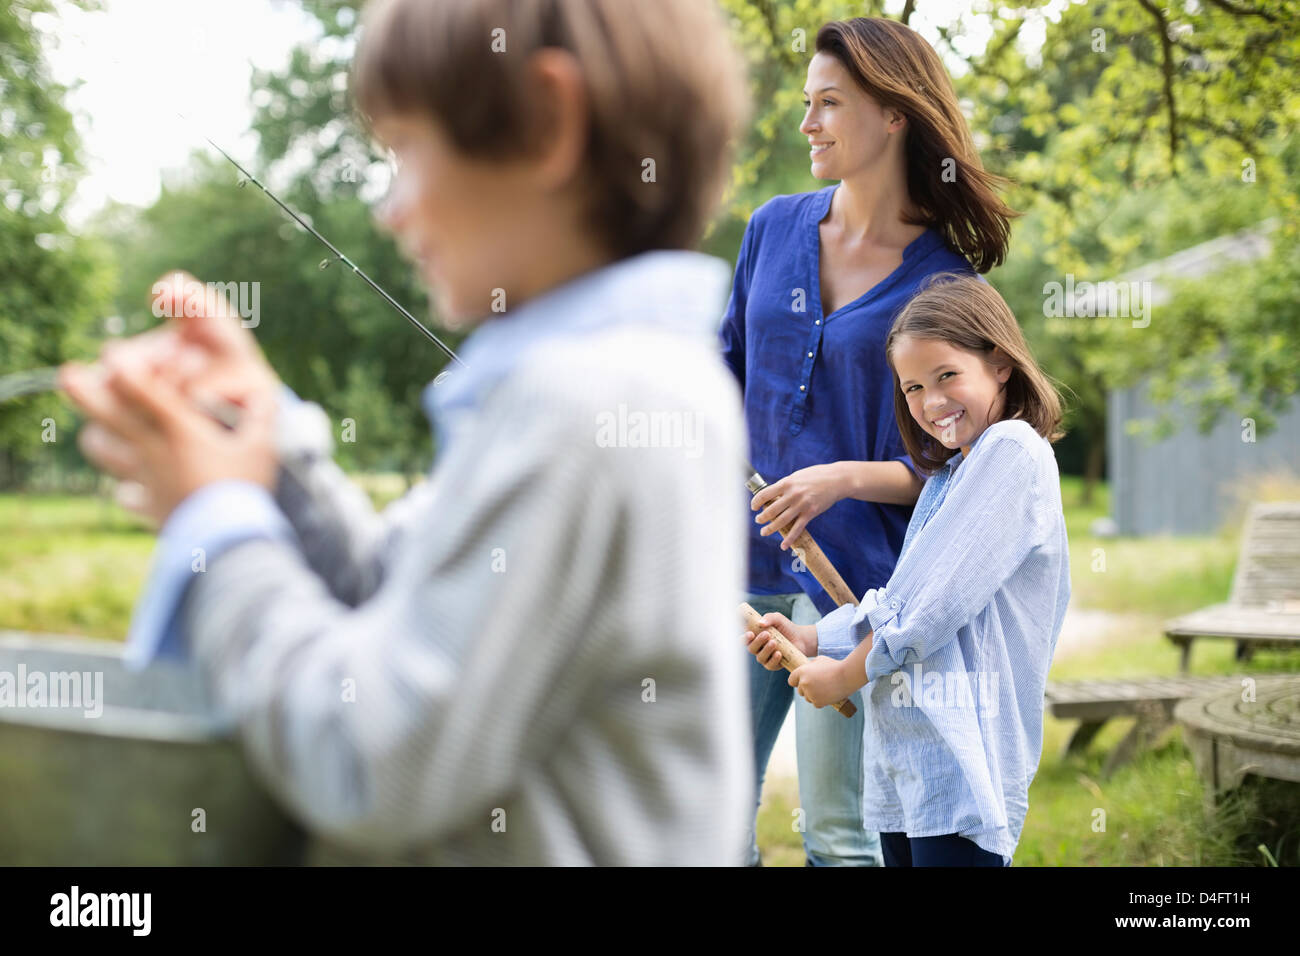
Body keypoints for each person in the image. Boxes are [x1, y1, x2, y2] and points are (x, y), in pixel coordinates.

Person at [59, 0, 755, 865]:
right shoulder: (621, 382)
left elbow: (372, 755)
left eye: (402, 152)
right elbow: (402, 605)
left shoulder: (591, 409)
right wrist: (265, 442)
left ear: (545, 124)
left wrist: (220, 520)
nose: (387, 211)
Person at [719, 16, 1017, 866]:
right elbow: (724, 372)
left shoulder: (946, 282)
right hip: (739, 563)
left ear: (893, 114)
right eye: (806, 103)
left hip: (855, 584)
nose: (807, 123)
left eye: (829, 104)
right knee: (708, 815)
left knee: (840, 834)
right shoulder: (771, 228)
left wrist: (840, 479)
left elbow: (968, 473)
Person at [746, 272, 1070, 866]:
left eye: (947, 375)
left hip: (963, 760)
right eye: (914, 387)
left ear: (999, 362)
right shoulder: (949, 476)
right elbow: (902, 596)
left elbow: (930, 613)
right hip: (909, 765)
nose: (932, 402)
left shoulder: (1013, 453)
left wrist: (842, 675)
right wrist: (815, 637)